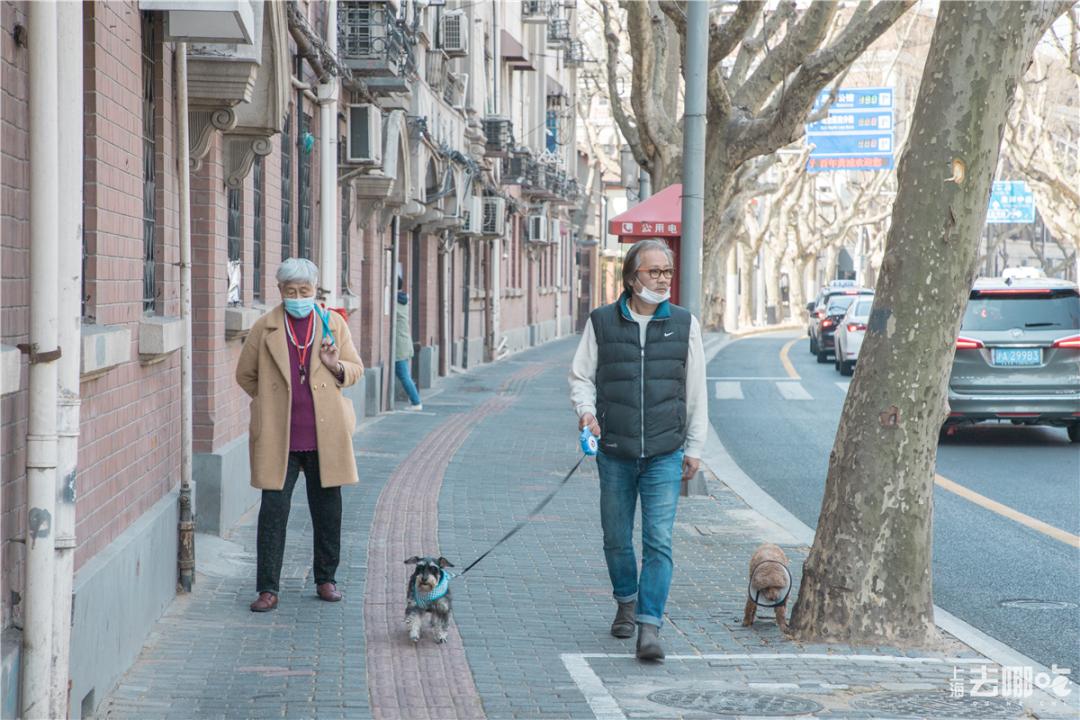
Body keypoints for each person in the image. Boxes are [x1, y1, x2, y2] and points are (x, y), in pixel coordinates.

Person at [568, 239, 708, 661]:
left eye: (667, 271)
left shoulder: (685, 324)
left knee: (659, 541)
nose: (663, 278)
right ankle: (625, 602)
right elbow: (580, 376)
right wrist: (586, 411)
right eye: (654, 271)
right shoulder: (602, 322)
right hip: (614, 450)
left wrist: (695, 447)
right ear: (632, 277)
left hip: (665, 451)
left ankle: (650, 625)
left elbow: (696, 390)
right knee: (615, 538)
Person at [236, 258, 365, 612]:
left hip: (326, 437)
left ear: (314, 291)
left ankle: (326, 580)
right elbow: (245, 375)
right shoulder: (265, 328)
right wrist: (270, 402)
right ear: (280, 291)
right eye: (291, 291)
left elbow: (356, 369)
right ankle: (267, 589)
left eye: (304, 291)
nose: (298, 297)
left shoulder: (332, 324)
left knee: (328, 512)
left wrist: (334, 365)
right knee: (273, 513)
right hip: (281, 437)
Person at [394, 278, 423, 411]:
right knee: (404, 374)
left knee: (404, 375)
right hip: (404, 341)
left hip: (400, 344)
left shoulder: (395, 301)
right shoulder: (403, 299)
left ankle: (416, 402)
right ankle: (415, 401)